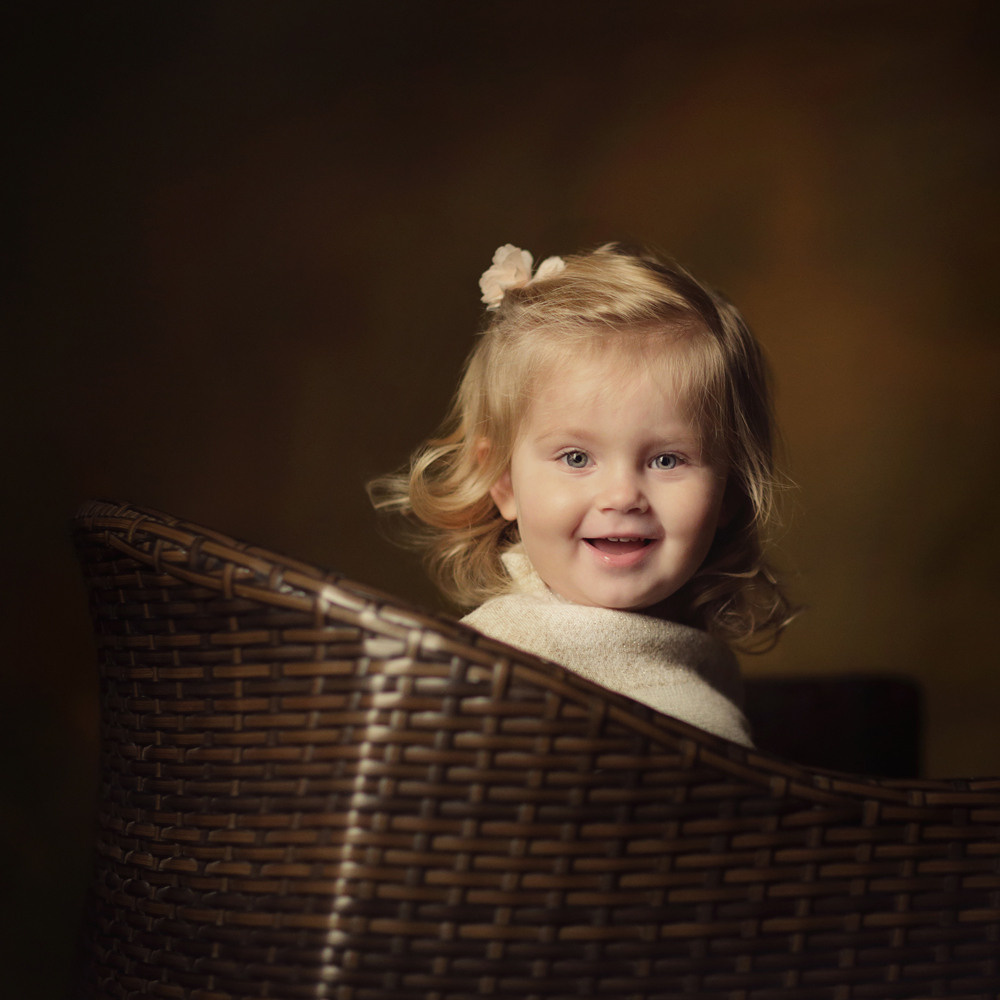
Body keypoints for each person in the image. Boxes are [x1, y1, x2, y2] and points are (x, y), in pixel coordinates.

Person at [369, 243, 795, 747]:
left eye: (667, 460)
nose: (621, 496)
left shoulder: (698, 661)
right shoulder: (493, 663)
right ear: (503, 482)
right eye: (576, 458)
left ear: (729, 489)